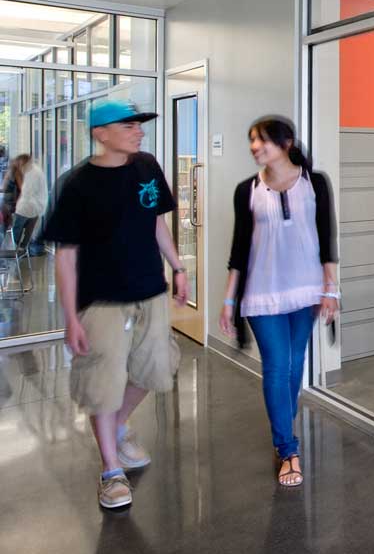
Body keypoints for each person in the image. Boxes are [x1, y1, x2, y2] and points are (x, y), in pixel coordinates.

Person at [43, 100, 188, 510]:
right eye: (129, 125)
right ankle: (111, 471)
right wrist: (70, 317)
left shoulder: (147, 167)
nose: (138, 131)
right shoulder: (76, 184)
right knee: (102, 386)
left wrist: (178, 267)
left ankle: (120, 426)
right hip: (102, 300)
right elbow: (66, 255)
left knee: (157, 368)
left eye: (139, 125)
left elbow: (156, 221)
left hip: (150, 292)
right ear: (100, 133)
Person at [220, 116, 339, 488]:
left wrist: (330, 288)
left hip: (306, 290)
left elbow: (327, 237)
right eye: (252, 141)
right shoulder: (247, 190)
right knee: (276, 365)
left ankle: (282, 424)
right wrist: (228, 299)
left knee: (294, 365)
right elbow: (239, 249)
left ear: (285, 143)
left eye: (262, 141)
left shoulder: (314, 182)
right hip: (262, 291)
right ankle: (287, 448)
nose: (255, 147)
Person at [10, 154, 48, 247]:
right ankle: (22, 250)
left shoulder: (31, 173)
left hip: (29, 207)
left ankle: (16, 251)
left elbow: (27, 193)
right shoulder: (34, 170)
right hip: (36, 207)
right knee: (27, 233)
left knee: (15, 231)